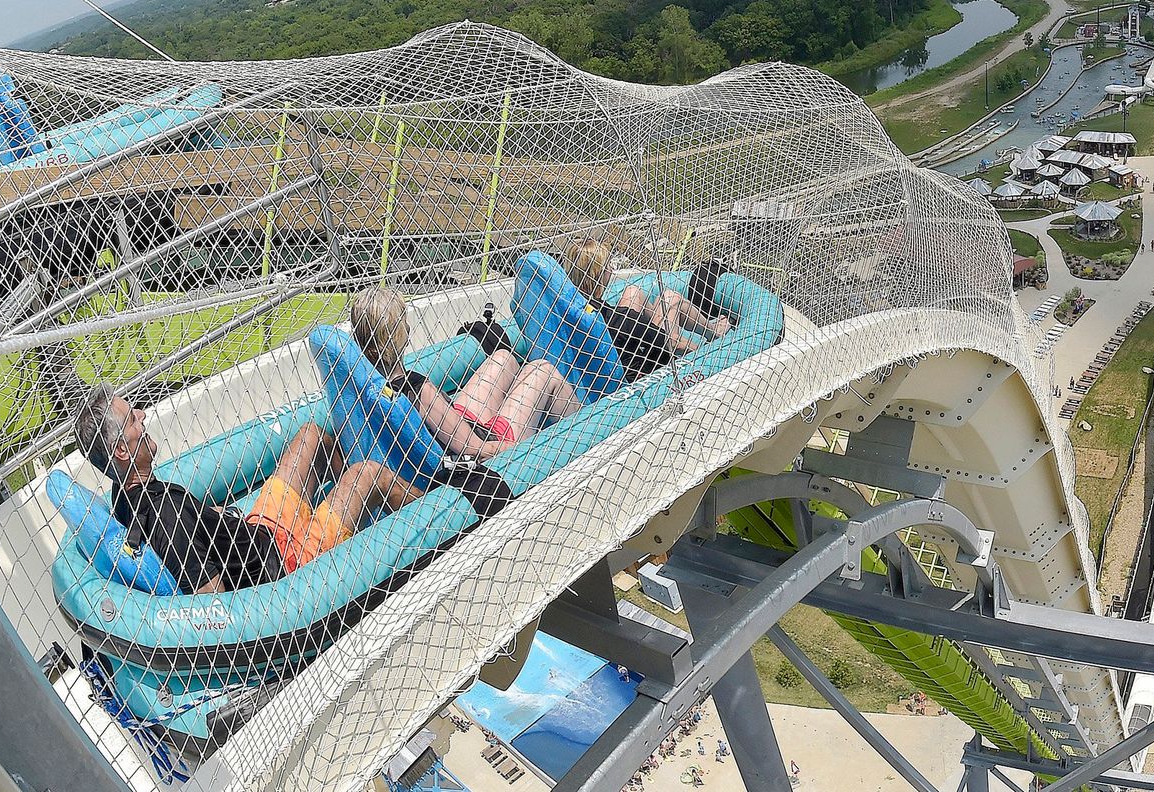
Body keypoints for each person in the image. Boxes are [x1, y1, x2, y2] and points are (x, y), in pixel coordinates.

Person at [72, 384, 423, 593]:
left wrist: (215, 519)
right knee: (367, 475)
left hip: (260, 532)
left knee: (311, 437)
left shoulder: (124, 494)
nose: (144, 415)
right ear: (121, 450)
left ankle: (350, 523)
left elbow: (197, 532)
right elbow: (213, 598)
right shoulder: (166, 515)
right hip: (285, 568)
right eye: (133, 418)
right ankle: (436, 508)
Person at [350, 286, 580, 460]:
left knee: (504, 358)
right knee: (542, 370)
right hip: (483, 440)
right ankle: (581, 438)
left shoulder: (365, 384)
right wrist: (518, 447)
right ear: (402, 332)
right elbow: (476, 449)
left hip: (456, 422)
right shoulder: (418, 389)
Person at [564, 238, 732, 382]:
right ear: (599, 273)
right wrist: (706, 354)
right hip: (645, 371)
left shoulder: (577, 304)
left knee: (633, 292)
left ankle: (689, 325)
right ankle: (714, 333)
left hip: (623, 347)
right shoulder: (618, 318)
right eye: (609, 265)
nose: (612, 269)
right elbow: (671, 343)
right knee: (670, 299)